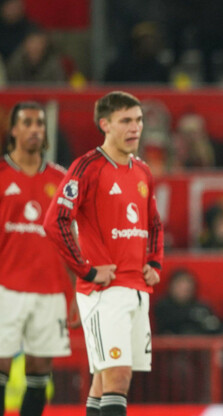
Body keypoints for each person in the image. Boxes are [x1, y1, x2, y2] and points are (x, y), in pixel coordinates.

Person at [43, 91, 164, 416]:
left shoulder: (143, 171)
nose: (135, 128)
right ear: (105, 124)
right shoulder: (87, 167)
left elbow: (154, 223)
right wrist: (86, 270)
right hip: (104, 292)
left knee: (104, 379)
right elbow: (55, 221)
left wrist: (154, 261)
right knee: (117, 376)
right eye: (126, 121)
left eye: (138, 120)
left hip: (137, 289)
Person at [0, 102, 77, 416]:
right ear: (13, 130)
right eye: (27, 122)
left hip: (50, 290)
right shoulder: (1, 175)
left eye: (40, 124)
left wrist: (76, 292)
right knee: (1, 362)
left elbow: (71, 239)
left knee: (40, 367)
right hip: (5, 287)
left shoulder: (61, 180)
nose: (35, 129)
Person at [154, 269, 220, 335]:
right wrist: (192, 315)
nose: (184, 289)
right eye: (180, 285)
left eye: (187, 287)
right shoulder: (163, 307)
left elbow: (214, 326)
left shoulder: (202, 307)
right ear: (171, 286)